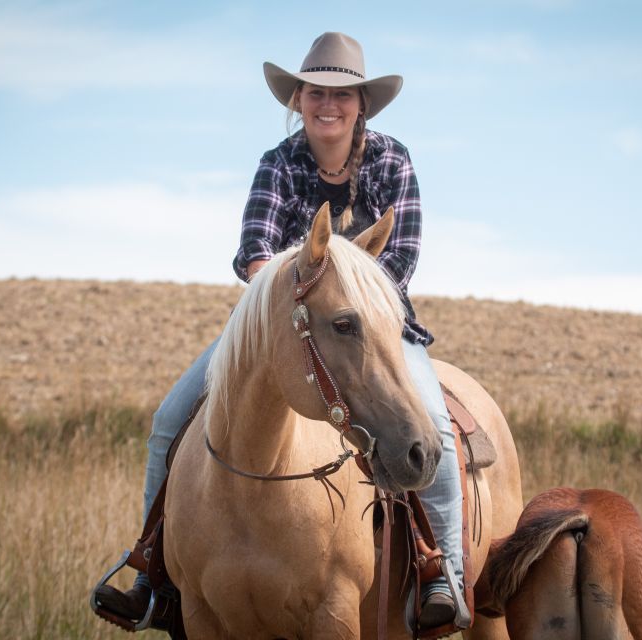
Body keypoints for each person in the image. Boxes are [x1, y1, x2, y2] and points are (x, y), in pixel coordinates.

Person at [95, 32, 467, 632]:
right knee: (170, 420)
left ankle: (439, 569)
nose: (330, 104)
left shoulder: (393, 160)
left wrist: (341, 291)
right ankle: (150, 572)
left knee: (437, 431)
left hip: (370, 325)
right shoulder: (277, 163)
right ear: (298, 99)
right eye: (317, 92)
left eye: (343, 95)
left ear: (361, 105)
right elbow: (255, 253)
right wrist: (293, 295)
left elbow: (398, 260)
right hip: (280, 323)